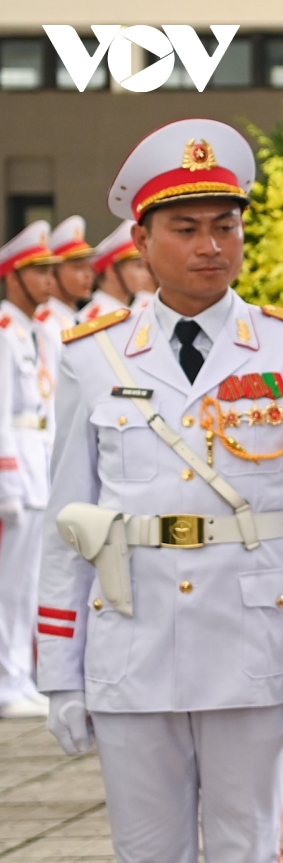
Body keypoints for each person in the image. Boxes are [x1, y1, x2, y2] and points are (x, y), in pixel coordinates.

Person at [36, 119, 283, 861]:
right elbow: (69, 520)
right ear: (142, 242)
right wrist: (60, 668)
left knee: (247, 848)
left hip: (251, 644)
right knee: (145, 852)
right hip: (131, 639)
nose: (212, 246)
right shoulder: (94, 357)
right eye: (186, 229)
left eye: (226, 226)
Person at [0, 221, 59, 719]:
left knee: (32, 582)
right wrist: (7, 481)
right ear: (13, 277)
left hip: (39, 465)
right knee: (11, 586)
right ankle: (7, 680)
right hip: (15, 469)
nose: (48, 280)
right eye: (37, 271)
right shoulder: (3, 331)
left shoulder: (34, 330)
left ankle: (21, 676)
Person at [78, 220, 153, 320]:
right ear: (112, 270)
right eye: (138, 266)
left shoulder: (143, 306)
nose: (146, 274)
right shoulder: (93, 320)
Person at [42, 216, 95, 332]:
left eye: (89, 267)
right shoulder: (47, 325)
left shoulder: (74, 316)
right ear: (53, 273)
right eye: (79, 267)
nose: (89, 275)